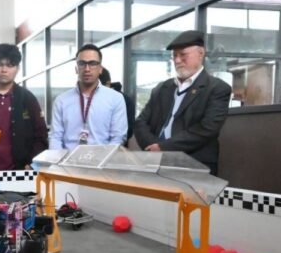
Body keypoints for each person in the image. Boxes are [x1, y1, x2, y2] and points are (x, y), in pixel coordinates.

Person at [133, 30, 231, 175]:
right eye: (174, 56)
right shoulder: (162, 88)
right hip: (156, 165)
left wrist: (163, 148)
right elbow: (141, 122)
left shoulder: (216, 88)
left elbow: (207, 129)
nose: (177, 60)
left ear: (201, 53)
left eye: (183, 55)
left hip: (194, 166)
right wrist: (152, 147)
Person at [49, 44, 128, 150]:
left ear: (100, 69)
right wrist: (58, 163)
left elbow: (118, 138)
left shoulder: (115, 99)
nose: (87, 69)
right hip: (67, 162)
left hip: (102, 162)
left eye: (92, 63)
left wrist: (100, 161)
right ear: (76, 68)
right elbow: (55, 137)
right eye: (82, 63)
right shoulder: (62, 100)